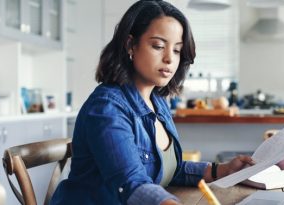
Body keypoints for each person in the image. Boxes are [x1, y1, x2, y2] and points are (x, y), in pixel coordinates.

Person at [50, 1, 254, 204]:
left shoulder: (158, 102)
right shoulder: (107, 108)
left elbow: (168, 170)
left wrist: (222, 170)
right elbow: (132, 184)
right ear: (131, 45)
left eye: (176, 50)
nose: (169, 59)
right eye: (158, 46)